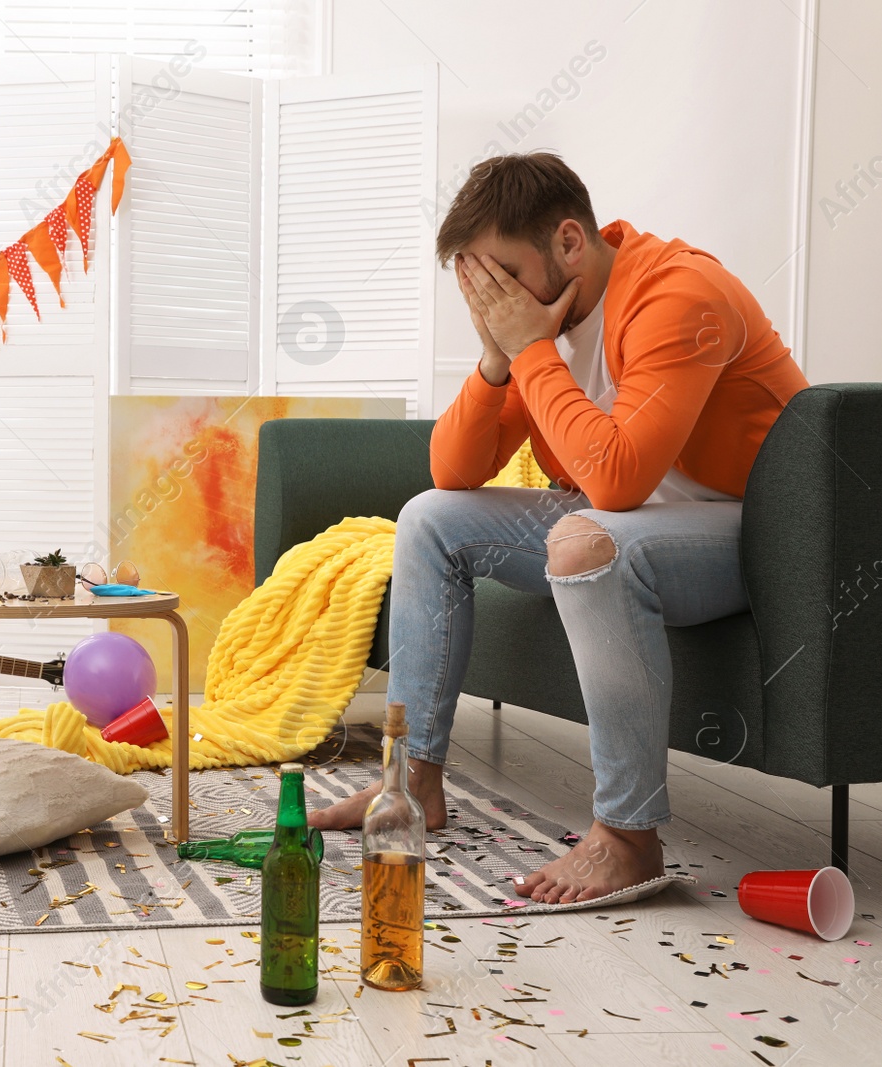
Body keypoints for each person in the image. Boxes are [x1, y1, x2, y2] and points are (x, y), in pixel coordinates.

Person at [307, 152, 809, 903]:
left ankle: (629, 836)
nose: (494, 298)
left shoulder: (679, 295)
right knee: (428, 518)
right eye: (478, 285)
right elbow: (454, 470)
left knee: (586, 540)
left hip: (763, 532)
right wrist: (495, 357)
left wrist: (532, 350)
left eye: (503, 276)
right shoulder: (542, 318)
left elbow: (614, 479)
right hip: (638, 525)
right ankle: (411, 784)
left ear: (569, 243)